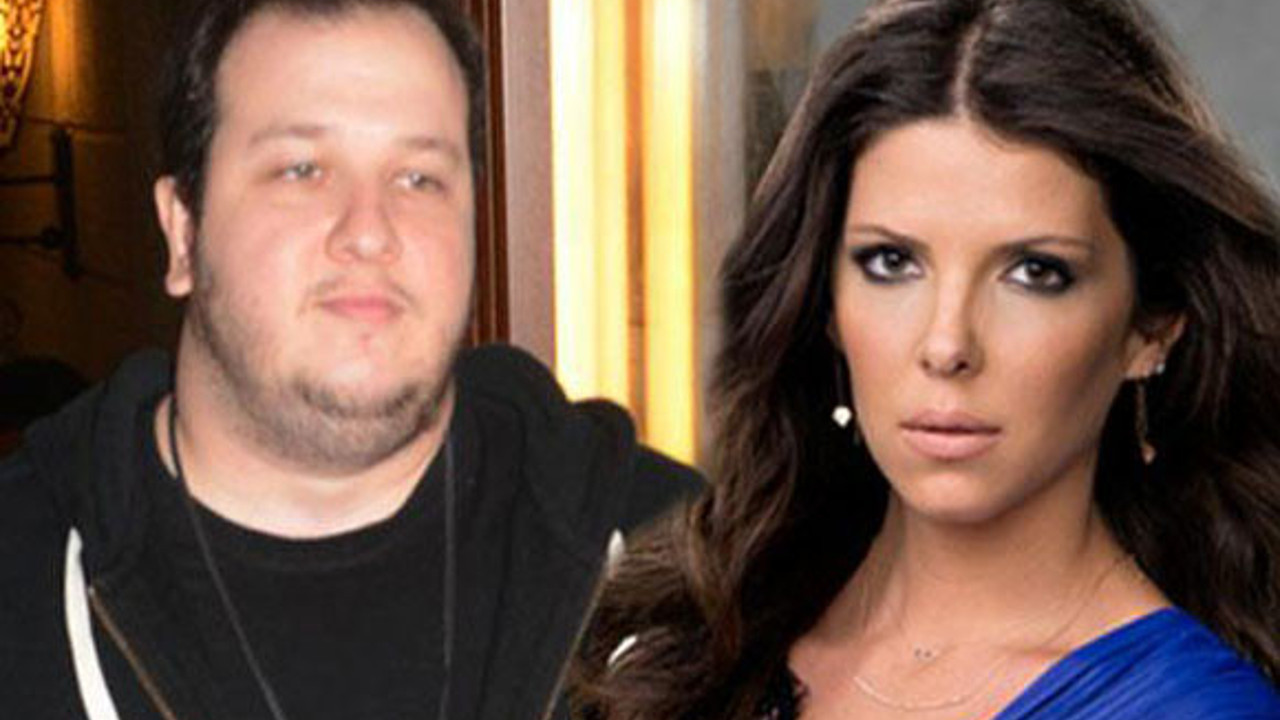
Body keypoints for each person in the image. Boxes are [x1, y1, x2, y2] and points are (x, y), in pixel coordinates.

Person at [570, 0, 1280, 717]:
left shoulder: (1195, 709)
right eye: (891, 262)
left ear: (1151, 328)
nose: (946, 345)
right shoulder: (701, 634)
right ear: (826, 301)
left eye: (1034, 272)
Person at [0, 1, 696, 719]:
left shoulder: (694, 578)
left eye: (419, 178)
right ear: (183, 233)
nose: (370, 232)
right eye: (301, 170)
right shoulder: (19, 597)